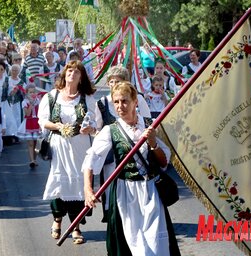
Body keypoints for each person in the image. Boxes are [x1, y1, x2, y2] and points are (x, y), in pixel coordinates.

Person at [83, 81, 180, 255]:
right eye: (116, 102)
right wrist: (88, 190)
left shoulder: (151, 125)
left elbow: (164, 162)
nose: (120, 106)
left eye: (125, 101)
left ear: (136, 101)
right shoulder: (110, 131)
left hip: (151, 191)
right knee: (131, 241)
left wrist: (153, 144)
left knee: (156, 242)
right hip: (124, 193)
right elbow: (91, 159)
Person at [38, 60, 96, 244]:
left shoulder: (87, 98)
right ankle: (57, 220)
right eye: (70, 70)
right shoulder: (52, 96)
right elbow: (42, 121)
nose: (72, 74)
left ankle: (76, 227)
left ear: (81, 77)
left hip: (80, 147)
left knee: (79, 186)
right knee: (59, 183)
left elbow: (96, 124)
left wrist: (91, 129)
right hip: (59, 147)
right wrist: (58, 126)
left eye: (77, 72)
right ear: (64, 74)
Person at [94, 66, 151, 222]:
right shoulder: (102, 103)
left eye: (117, 81)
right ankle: (113, 216)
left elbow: (147, 122)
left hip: (134, 152)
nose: (114, 85)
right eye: (111, 82)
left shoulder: (137, 99)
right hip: (111, 155)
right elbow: (98, 127)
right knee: (111, 184)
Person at [17, 84, 42, 168]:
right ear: (27, 93)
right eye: (30, 92)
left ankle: (34, 160)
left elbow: (41, 112)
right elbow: (27, 113)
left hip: (37, 123)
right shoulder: (24, 102)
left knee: (36, 143)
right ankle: (31, 160)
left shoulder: (38, 101)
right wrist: (31, 104)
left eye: (34, 92)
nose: (32, 93)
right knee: (30, 143)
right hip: (29, 122)